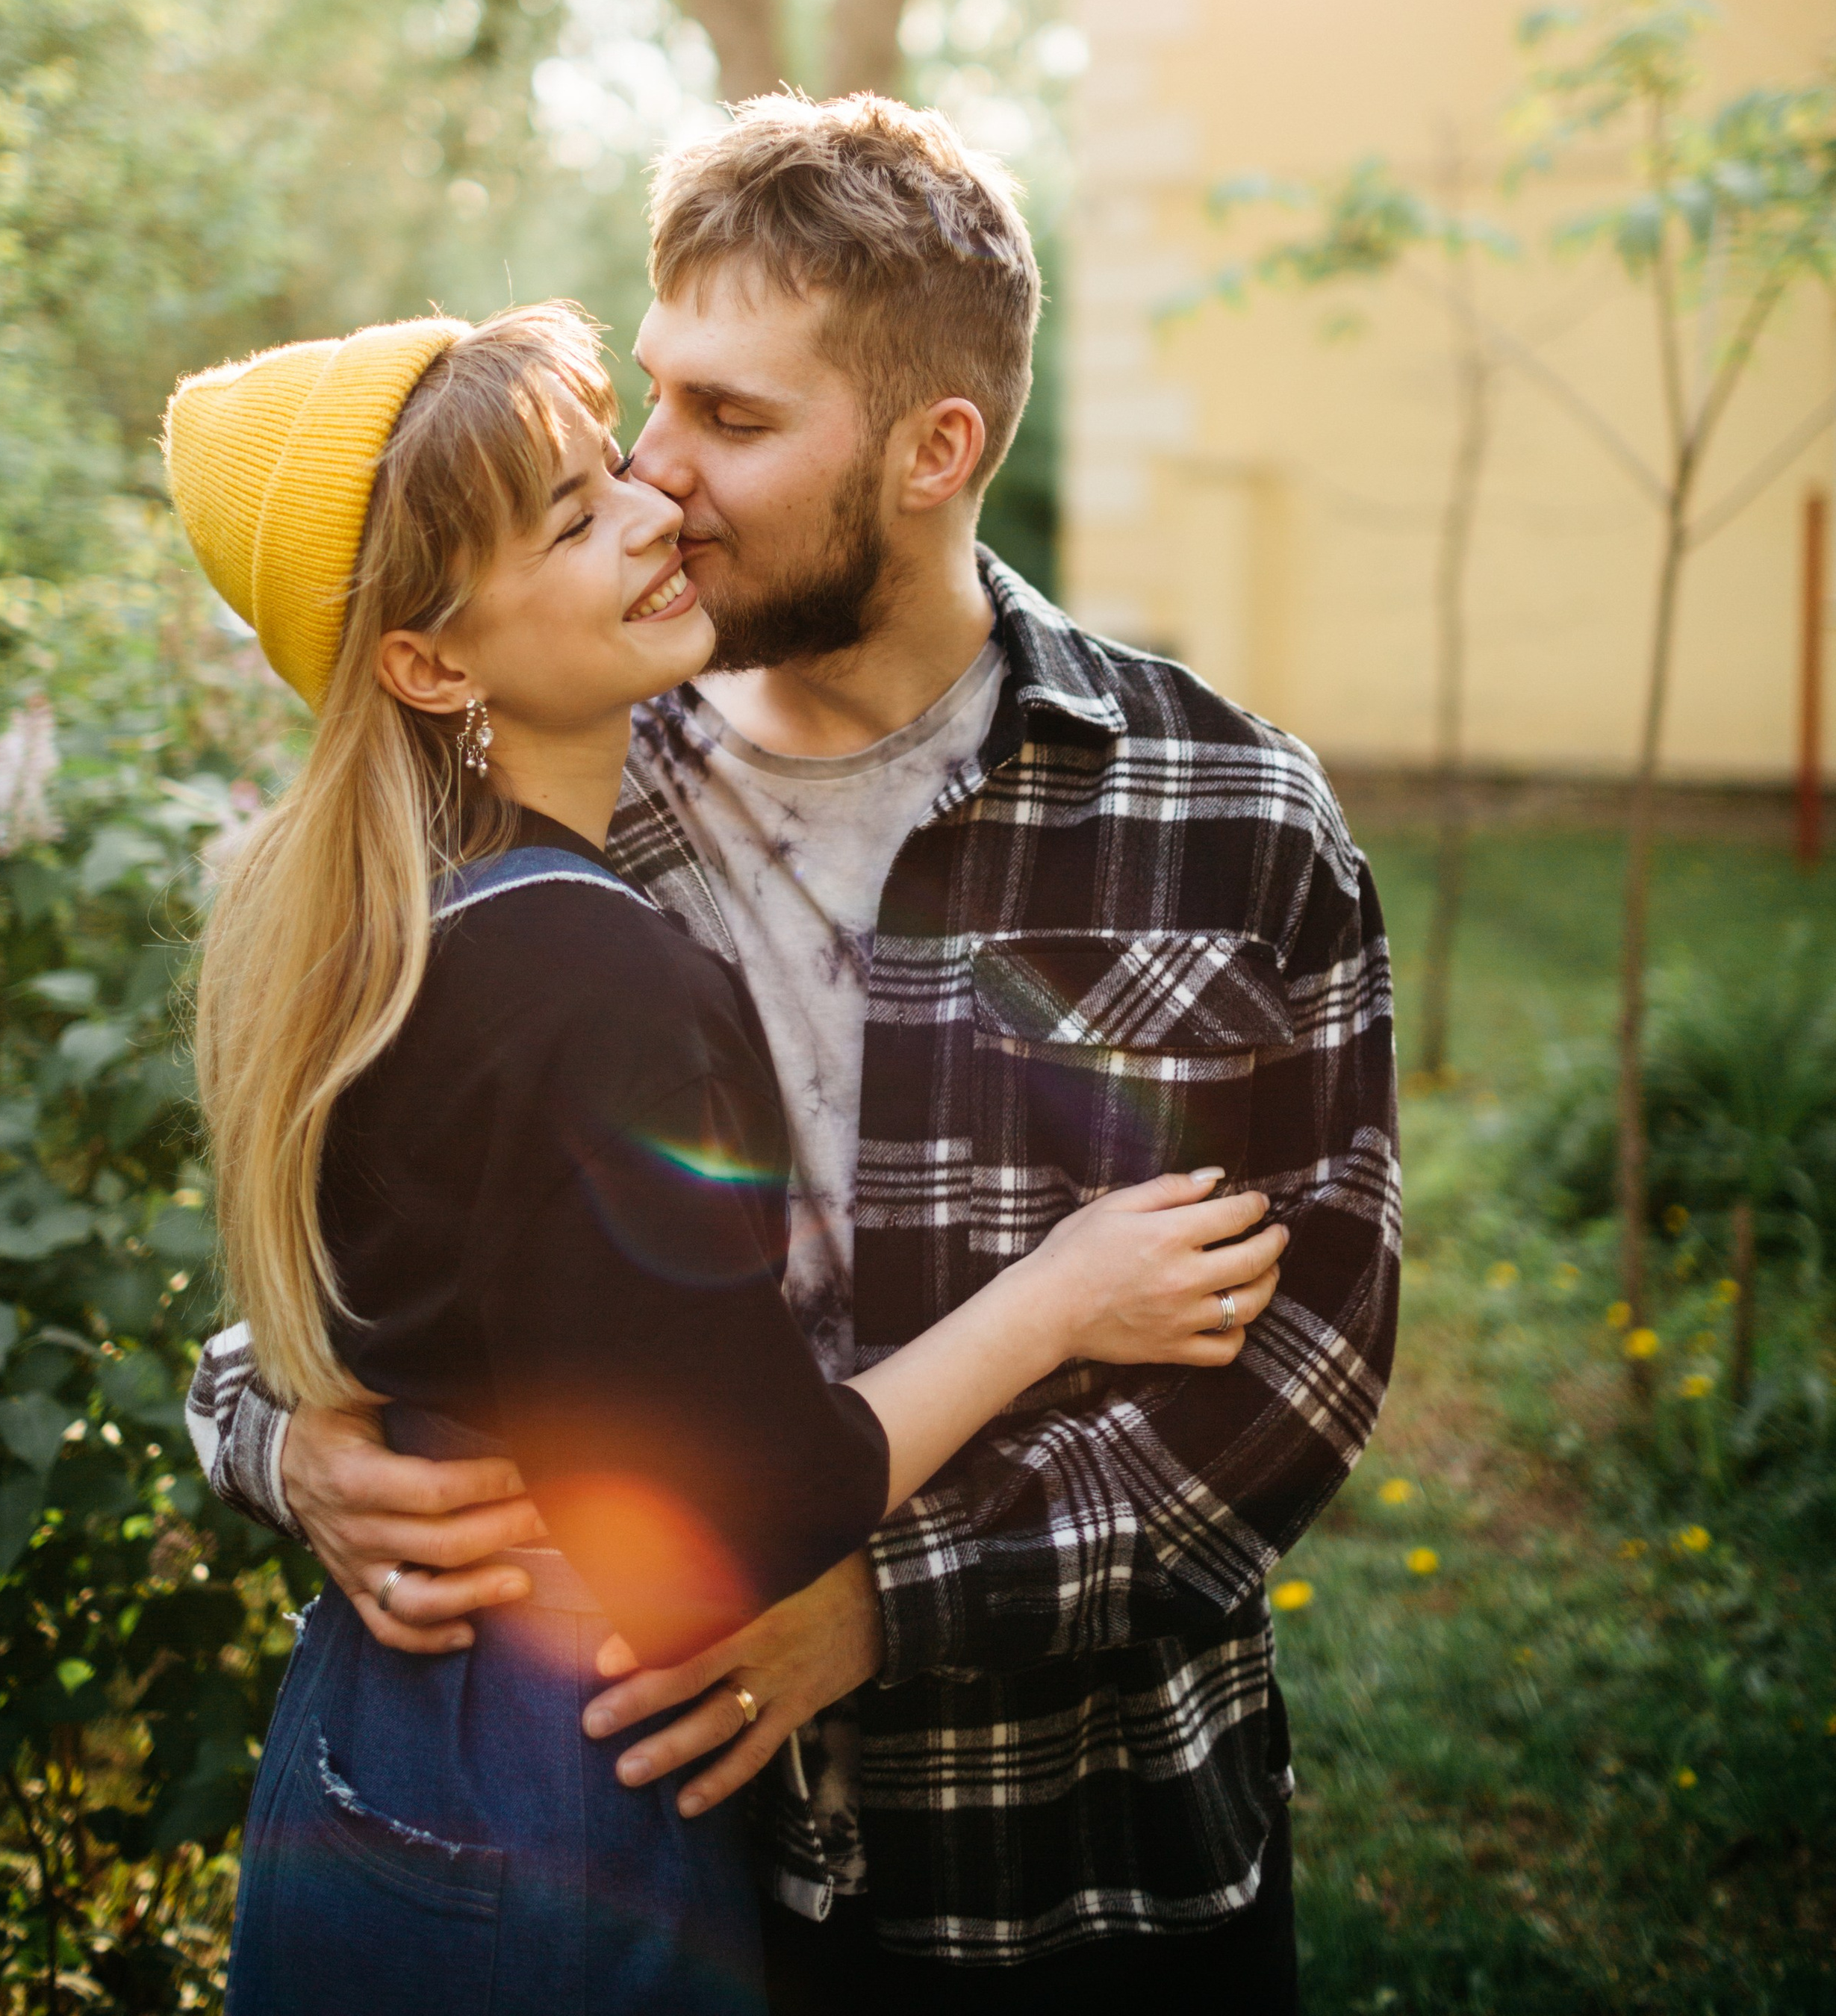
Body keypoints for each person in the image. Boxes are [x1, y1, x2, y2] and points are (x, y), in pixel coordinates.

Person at [190, 98, 1400, 2012]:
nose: (658, 485)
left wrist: (876, 1610)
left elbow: (1304, 1357)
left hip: (1067, 1854)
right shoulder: (566, 775)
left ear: (937, 450)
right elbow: (365, 1250)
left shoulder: (1221, 811)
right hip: (659, 1856)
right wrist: (277, 1443)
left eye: (729, 424)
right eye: (649, 402)